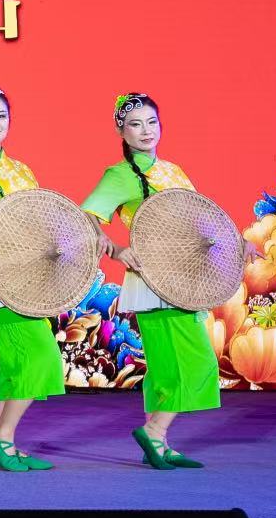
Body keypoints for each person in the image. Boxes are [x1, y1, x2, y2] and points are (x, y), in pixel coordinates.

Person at [80, 92, 222, 469]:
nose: (146, 131)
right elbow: (87, 217)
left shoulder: (173, 171)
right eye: (135, 124)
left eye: (152, 122)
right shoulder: (120, 175)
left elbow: (199, 218)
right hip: (153, 280)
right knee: (193, 362)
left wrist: (235, 242)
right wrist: (116, 250)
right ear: (121, 131)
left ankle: (158, 442)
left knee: (165, 368)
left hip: (183, 275)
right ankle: (154, 431)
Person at [0, 82, 82, 471]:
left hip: (29, 275)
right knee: (40, 357)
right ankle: (1, 436)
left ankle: (5, 445)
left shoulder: (21, 170)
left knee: (11, 365)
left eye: (0, 116)